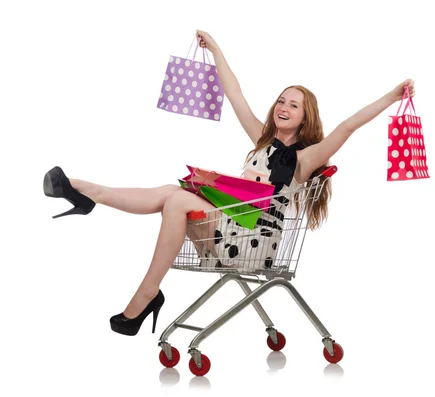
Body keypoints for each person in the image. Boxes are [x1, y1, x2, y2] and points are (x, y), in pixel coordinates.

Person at [43, 30, 415, 337]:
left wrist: (392, 96)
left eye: (294, 105)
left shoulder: (305, 158)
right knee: (173, 193)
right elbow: (234, 94)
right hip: (229, 230)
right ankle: (85, 191)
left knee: (175, 200)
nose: (283, 107)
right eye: (281, 101)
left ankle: (143, 289)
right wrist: (217, 49)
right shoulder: (262, 141)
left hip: (253, 242)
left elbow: (347, 126)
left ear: (305, 119)